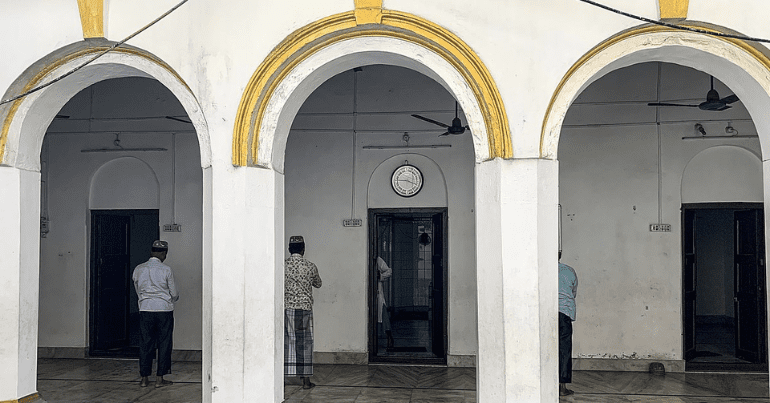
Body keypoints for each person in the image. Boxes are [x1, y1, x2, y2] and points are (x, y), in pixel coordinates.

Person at [132, 240, 179, 388]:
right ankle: (160, 379)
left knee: (145, 343)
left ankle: (144, 379)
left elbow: (137, 289)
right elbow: (174, 293)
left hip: (146, 309)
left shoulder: (139, 269)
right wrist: (170, 300)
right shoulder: (166, 269)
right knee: (164, 343)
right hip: (164, 310)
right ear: (164, 253)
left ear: (151, 252)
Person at [284, 235, 323, 389]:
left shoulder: (282, 266)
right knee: (304, 343)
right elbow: (318, 284)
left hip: (286, 309)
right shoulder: (310, 266)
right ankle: (306, 381)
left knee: (286, 342)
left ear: (289, 249)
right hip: (304, 309)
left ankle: (281, 379)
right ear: (303, 249)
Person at [558, 252, 578, 396]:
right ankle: (562, 387)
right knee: (564, 350)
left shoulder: (540, 270)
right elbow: (573, 292)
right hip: (564, 314)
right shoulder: (569, 271)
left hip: (545, 314)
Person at [376, 256, 395, 349]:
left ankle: (389, 338)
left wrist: (380, 276)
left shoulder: (377, 260)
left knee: (384, 316)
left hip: (378, 293)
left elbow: (389, 271)